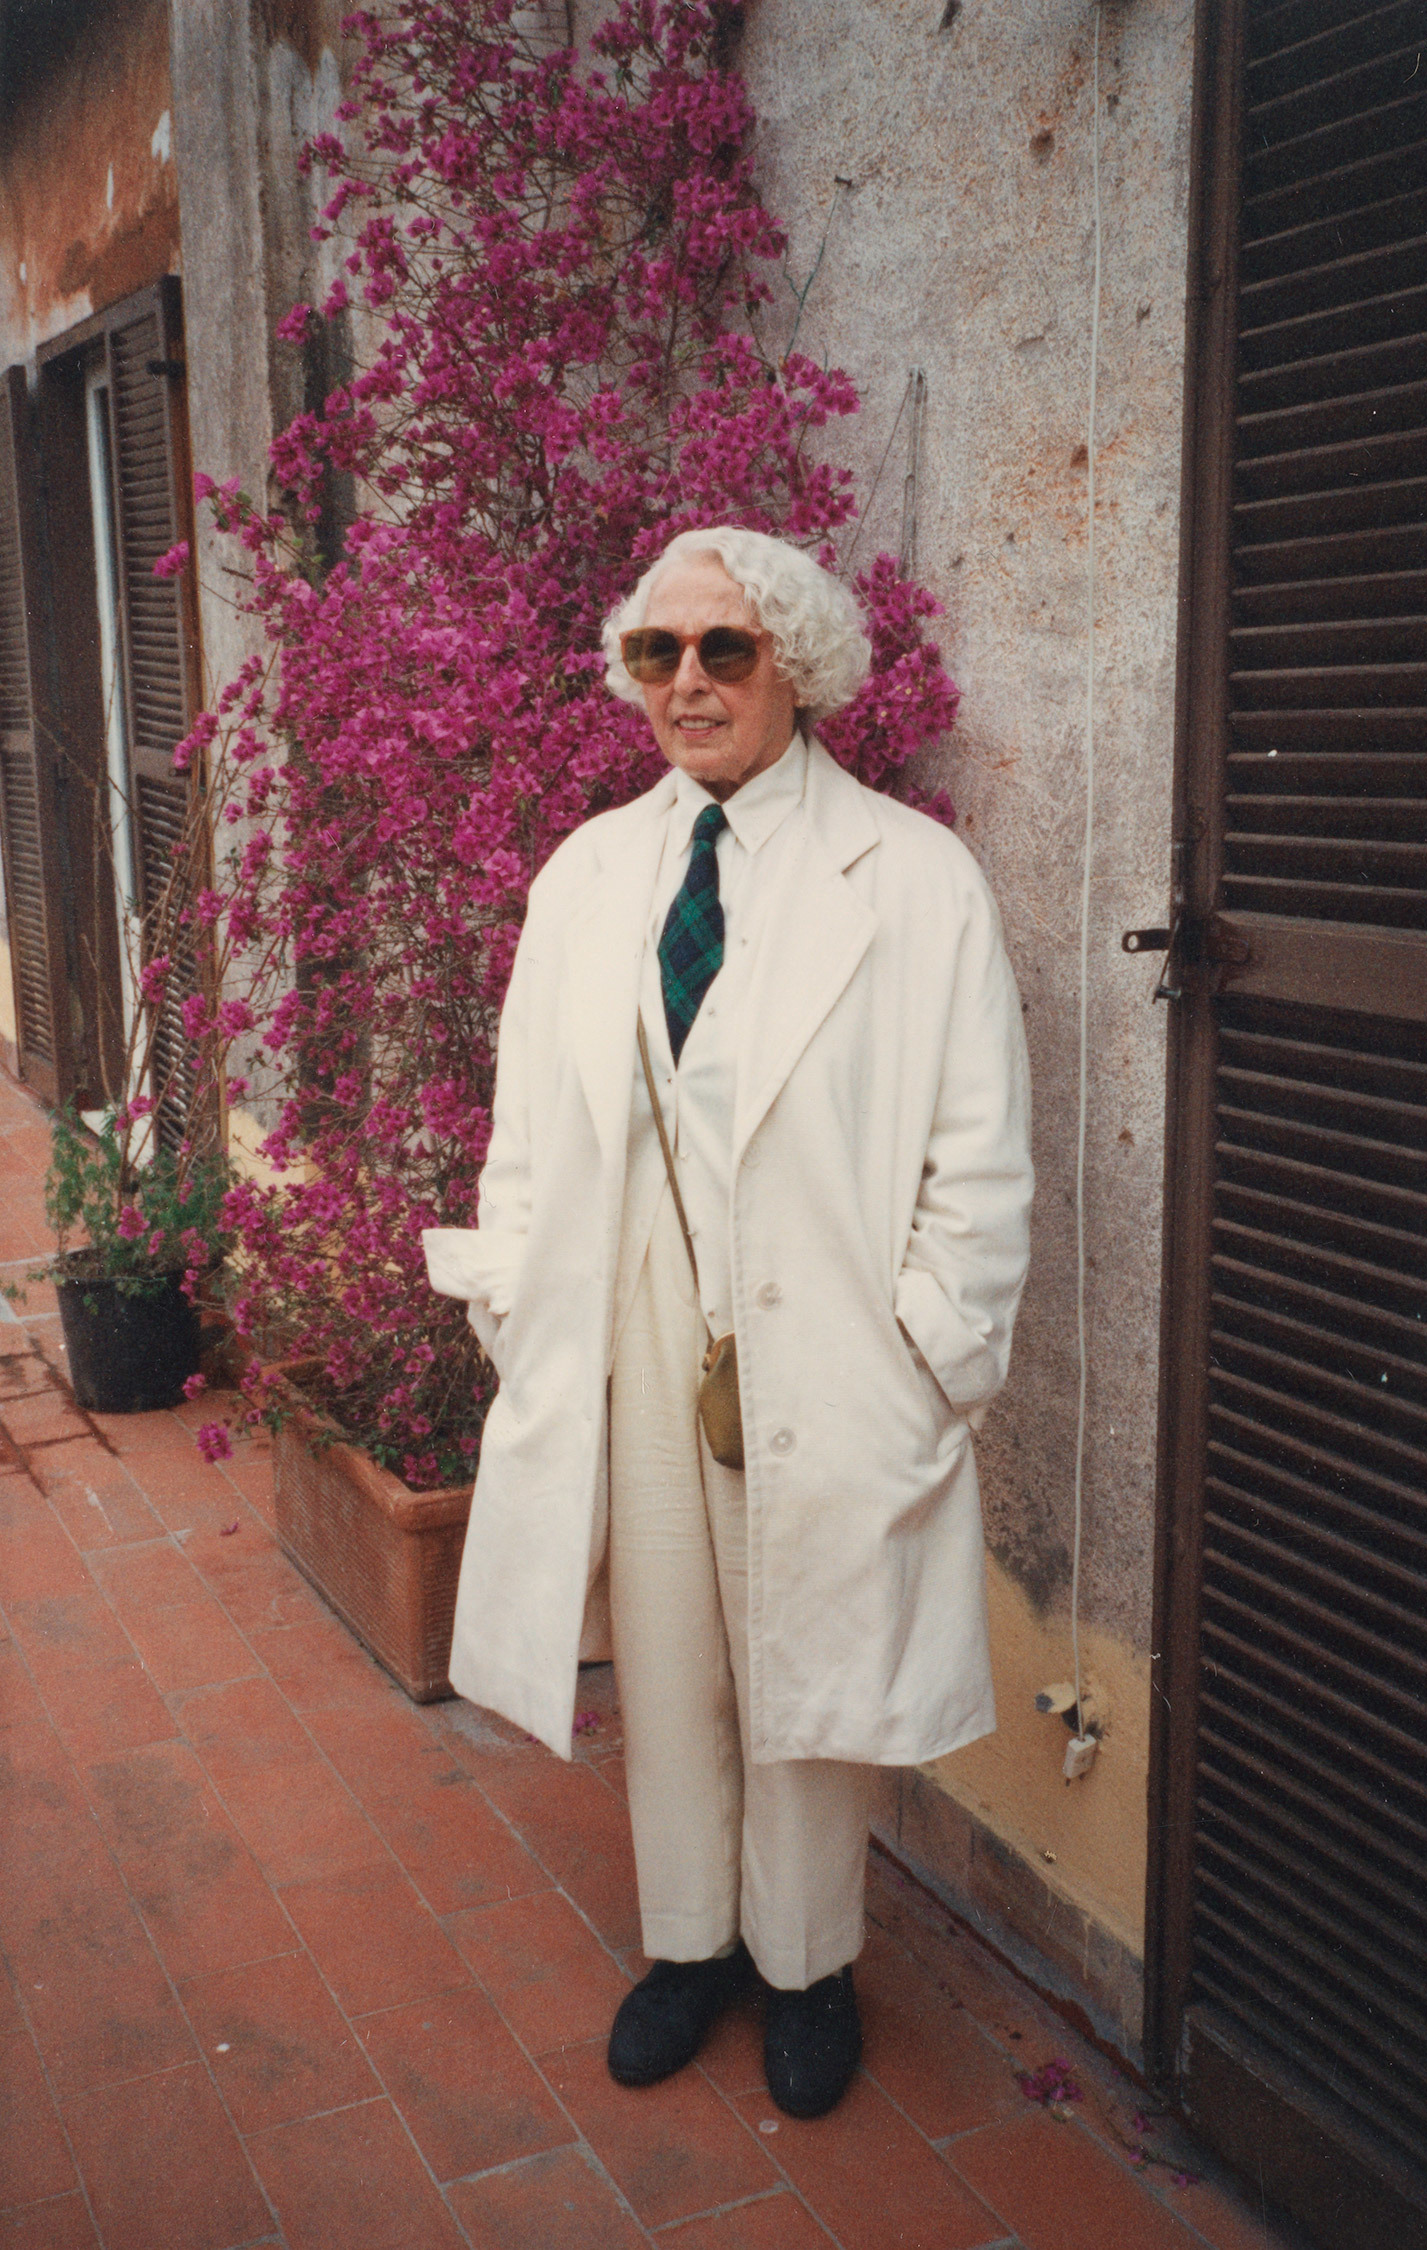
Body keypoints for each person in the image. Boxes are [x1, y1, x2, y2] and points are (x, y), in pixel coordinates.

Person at [425, 525, 1032, 2118]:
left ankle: (810, 1961)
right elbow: (525, 1131)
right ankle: (694, 1942)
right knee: (677, 1654)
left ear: (799, 667)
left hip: (827, 1340)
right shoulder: (586, 877)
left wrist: (926, 1363)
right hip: (634, 1330)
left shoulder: (914, 881)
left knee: (804, 1657)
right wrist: (522, 1311)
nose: (686, 681)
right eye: (657, 653)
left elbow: (978, 1158)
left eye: (725, 650)